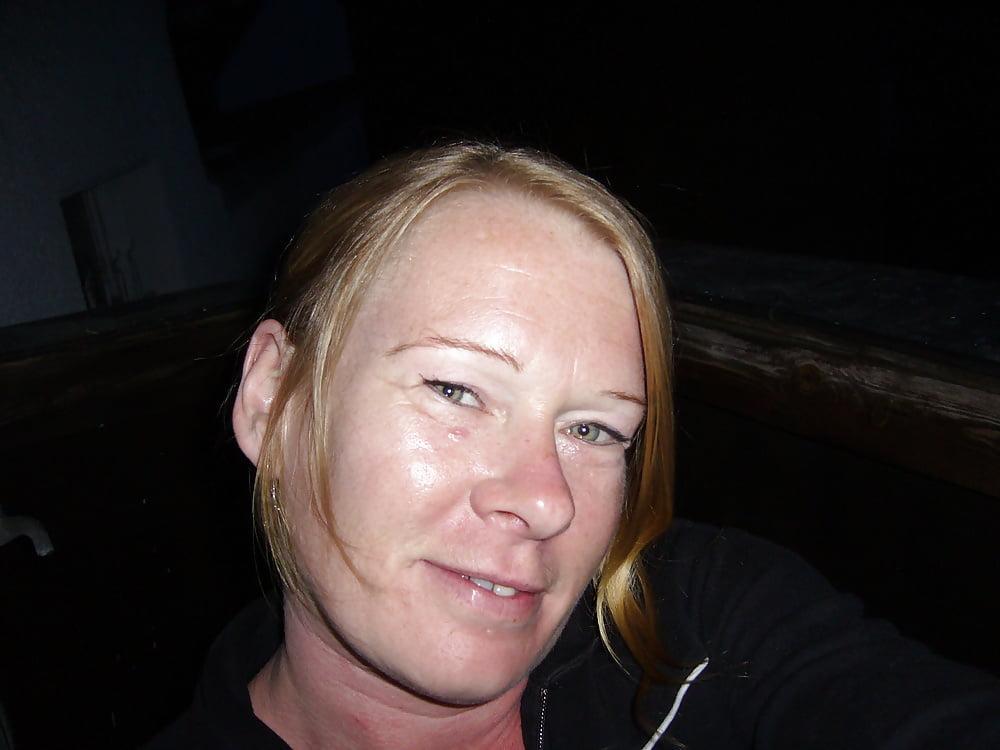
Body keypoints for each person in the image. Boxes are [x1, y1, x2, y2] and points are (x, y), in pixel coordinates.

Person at [147, 143, 1000, 749]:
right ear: (274, 399)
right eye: (456, 390)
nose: (547, 500)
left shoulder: (701, 628)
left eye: (592, 429)